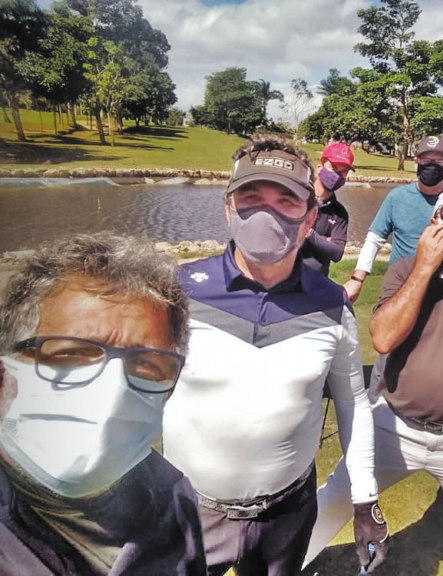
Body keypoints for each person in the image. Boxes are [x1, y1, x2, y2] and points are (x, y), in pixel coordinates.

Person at [161, 136, 388, 576]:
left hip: (288, 515)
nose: (266, 212)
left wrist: (365, 497)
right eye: (251, 196)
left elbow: (352, 402)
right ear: (229, 208)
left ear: (309, 220)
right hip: (188, 513)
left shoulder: (332, 304)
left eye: (286, 201)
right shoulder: (177, 292)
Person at [304, 185, 443, 576]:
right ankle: (280, 564)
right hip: (396, 425)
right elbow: (383, 336)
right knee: (336, 498)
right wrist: (424, 268)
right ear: (431, 224)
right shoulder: (406, 270)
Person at [0, 233, 206, 575]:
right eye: (71, 353)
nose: (112, 393)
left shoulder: (174, 495)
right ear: (6, 374)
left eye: (147, 365)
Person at [343, 135, 443, 302]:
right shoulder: (397, 197)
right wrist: (357, 278)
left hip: (442, 288)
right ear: (416, 162)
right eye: (425, 160)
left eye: (438, 161)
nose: (432, 165)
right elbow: (374, 239)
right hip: (400, 284)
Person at [300, 142, 354, 276]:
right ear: (320, 167)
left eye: (343, 172)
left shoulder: (340, 213)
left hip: (316, 285)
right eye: (334, 168)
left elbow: (336, 253)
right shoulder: (297, 196)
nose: (337, 175)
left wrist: (309, 234)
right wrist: (324, 240)